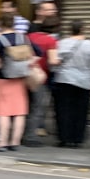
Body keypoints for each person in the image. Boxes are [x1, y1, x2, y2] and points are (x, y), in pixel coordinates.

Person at [0, 12, 42, 151]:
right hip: (20, 80)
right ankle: (15, 143)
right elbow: (40, 52)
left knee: (3, 113)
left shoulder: (0, 39)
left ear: (0, 24)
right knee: (19, 112)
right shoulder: (23, 37)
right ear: (14, 24)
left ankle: (2, 143)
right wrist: (30, 62)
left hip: (3, 79)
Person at [49, 20, 90, 148]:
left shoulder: (62, 43)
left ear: (70, 29)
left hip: (64, 79)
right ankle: (77, 138)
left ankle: (64, 138)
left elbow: (55, 63)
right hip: (84, 81)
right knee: (81, 111)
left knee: (63, 110)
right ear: (83, 29)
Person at [24, 16, 60, 146]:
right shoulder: (50, 40)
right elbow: (52, 61)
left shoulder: (29, 37)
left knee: (25, 106)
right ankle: (30, 137)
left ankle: (18, 133)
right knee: (38, 107)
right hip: (39, 77)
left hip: (23, 75)